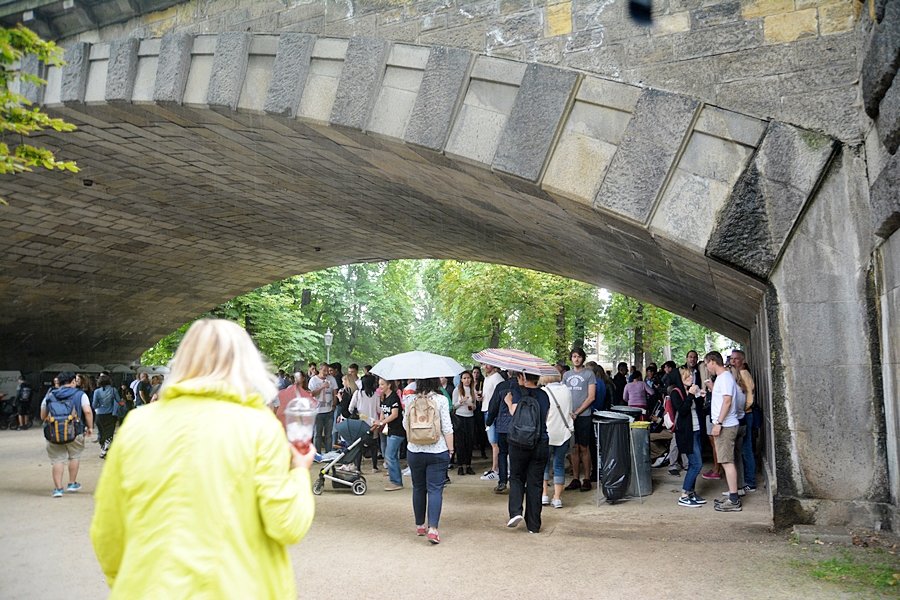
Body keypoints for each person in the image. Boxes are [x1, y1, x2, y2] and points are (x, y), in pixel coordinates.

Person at [89, 319, 315, 598]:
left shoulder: (137, 424)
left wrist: (131, 584)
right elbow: (287, 524)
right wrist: (300, 473)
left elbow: (107, 532)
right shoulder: (259, 426)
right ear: (245, 364)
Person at [403, 377, 453, 544]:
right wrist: (451, 450)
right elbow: (447, 427)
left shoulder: (410, 399)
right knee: (435, 489)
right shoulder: (441, 400)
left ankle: (419, 525)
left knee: (418, 487)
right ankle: (433, 529)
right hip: (437, 450)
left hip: (415, 450)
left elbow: (405, 424)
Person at [504, 372, 550, 534]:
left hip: (519, 443)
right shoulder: (544, 396)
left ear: (523, 378)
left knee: (516, 477)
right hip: (540, 441)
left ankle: (516, 512)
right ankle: (533, 525)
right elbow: (544, 418)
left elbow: (514, 412)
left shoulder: (517, 391)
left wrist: (509, 402)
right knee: (535, 483)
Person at [41, 371, 94, 497]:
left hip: (54, 432)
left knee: (57, 460)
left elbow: (43, 415)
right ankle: (72, 483)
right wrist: (90, 427)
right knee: (74, 456)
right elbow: (87, 411)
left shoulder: (50, 394)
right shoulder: (80, 394)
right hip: (75, 431)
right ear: (73, 381)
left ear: (58, 382)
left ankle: (58, 489)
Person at [704, 351, 741, 512]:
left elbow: (727, 401)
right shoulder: (722, 378)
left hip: (726, 425)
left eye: (707, 364)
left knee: (726, 461)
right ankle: (732, 495)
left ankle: (734, 499)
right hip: (725, 424)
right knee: (726, 461)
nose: (707, 367)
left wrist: (718, 423)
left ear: (713, 361)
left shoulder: (725, 378)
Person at [563, 347, 596, 492]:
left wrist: (577, 412)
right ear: (571, 358)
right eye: (574, 356)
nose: (576, 359)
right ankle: (575, 478)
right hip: (569, 417)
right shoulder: (566, 375)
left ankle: (587, 478)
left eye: (579, 356)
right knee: (573, 448)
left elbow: (591, 397)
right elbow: (563, 394)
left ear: (583, 358)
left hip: (584, 416)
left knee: (584, 447)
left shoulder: (589, 374)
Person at [541, 374, 572, 509]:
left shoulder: (544, 392)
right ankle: (557, 497)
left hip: (547, 432)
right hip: (564, 432)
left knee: (544, 464)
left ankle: (544, 494)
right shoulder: (567, 390)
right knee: (559, 464)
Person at [373, 378, 405, 491]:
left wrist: (381, 422)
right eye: (379, 384)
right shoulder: (384, 397)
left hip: (398, 431)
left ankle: (396, 481)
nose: (380, 386)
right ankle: (394, 477)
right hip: (390, 430)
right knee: (391, 455)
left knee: (389, 455)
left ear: (389, 385)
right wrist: (378, 423)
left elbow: (394, 414)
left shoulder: (394, 397)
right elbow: (383, 412)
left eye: (382, 384)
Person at [349, 374, 381, 471]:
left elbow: (350, 408)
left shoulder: (358, 394)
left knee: (359, 446)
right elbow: (379, 410)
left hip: (360, 424)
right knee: (374, 445)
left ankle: (358, 468)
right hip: (373, 424)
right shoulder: (376, 395)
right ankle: (374, 467)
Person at [480, 363, 504, 481]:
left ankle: (495, 469)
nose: (484, 366)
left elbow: (500, 394)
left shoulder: (497, 378)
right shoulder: (486, 378)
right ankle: (495, 468)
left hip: (492, 411)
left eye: (486, 364)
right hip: (485, 409)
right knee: (492, 441)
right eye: (483, 364)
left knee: (494, 442)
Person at [451, 371, 477, 476]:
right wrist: (461, 401)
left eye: (468, 378)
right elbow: (453, 406)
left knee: (469, 442)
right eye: (465, 378)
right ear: (461, 379)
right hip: (460, 417)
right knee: (460, 443)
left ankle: (469, 465)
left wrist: (472, 406)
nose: (467, 380)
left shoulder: (472, 390)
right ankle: (460, 465)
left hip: (470, 417)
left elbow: (474, 405)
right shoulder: (457, 390)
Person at [92, 373, 120, 458]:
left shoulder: (96, 391)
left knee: (101, 433)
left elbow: (94, 405)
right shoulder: (113, 390)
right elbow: (118, 401)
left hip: (99, 415)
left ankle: (103, 450)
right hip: (110, 415)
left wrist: (100, 406)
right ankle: (105, 451)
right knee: (109, 433)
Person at [309, 363, 336, 451]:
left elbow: (334, 392)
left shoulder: (331, 379)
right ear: (319, 370)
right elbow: (311, 394)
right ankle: (317, 453)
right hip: (317, 411)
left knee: (329, 434)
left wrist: (334, 404)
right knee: (317, 434)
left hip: (329, 410)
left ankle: (328, 453)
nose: (326, 373)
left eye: (327, 371)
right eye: (324, 370)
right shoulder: (313, 380)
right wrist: (322, 387)